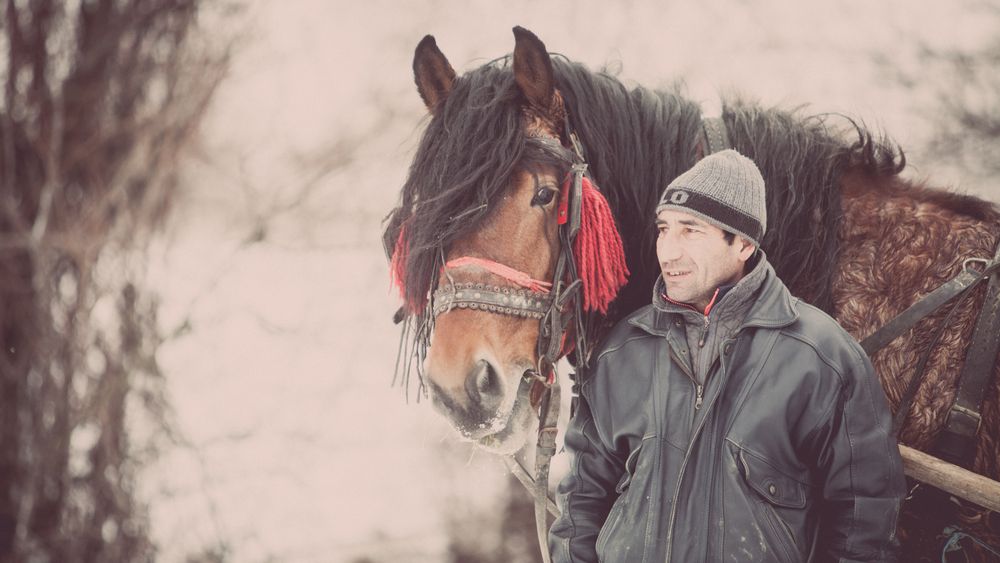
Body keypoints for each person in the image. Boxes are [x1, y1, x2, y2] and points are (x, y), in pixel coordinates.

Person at [548, 149, 906, 562]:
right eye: (664, 229)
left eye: (691, 231)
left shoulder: (821, 357)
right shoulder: (622, 351)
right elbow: (581, 500)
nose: (668, 251)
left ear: (743, 245)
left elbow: (866, 519)